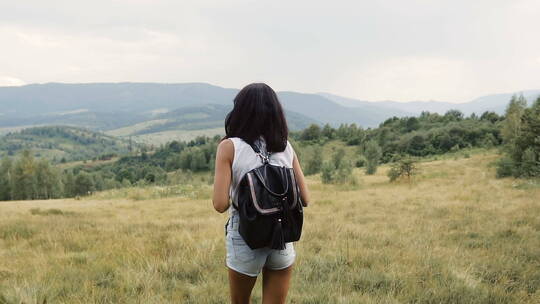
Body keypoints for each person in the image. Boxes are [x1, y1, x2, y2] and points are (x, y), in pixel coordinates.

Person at [212, 83, 310, 304]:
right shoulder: (285, 146)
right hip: (282, 234)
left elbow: (219, 204)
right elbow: (305, 198)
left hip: (246, 236)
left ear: (239, 111)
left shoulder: (229, 147)